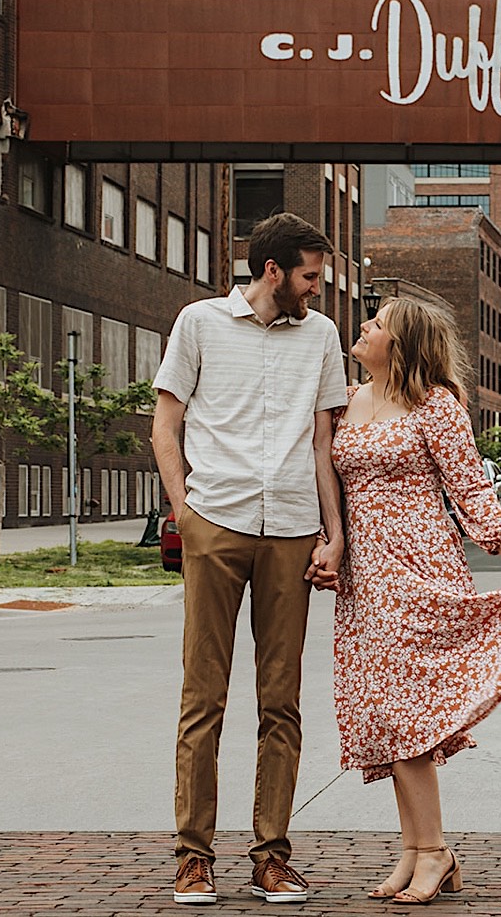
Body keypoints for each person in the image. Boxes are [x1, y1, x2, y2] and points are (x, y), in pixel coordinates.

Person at [151, 213, 348, 906]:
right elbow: (166, 422)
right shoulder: (199, 324)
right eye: (310, 278)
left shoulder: (321, 337)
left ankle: (271, 856)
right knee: (203, 697)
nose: (317, 291)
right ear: (273, 272)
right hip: (218, 522)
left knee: (281, 702)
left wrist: (334, 533)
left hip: (292, 531)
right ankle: (192, 857)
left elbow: (324, 441)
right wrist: (185, 511)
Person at [332, 297, 501, 905]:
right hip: (364, 584)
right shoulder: (347, 399)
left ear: (399, 344)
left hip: (419, 572)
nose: (364, 327)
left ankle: (433, 851)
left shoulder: (435, 405)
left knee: (406, 716)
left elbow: (469, 484)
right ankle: (415, 850)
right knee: (383, 712)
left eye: (375, 324)